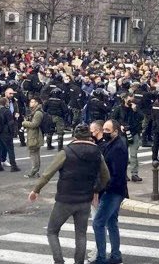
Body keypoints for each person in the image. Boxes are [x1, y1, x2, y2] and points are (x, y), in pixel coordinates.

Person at [29, 124, 110, 264]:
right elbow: (106, 176)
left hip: (65, 199)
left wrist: (36, 190)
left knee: (52, 231)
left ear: (74, 136)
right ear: (89, 136)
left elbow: (48, 174)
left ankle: (59, 261)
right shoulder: (97, 152)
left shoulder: (66, 151)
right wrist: (96, 190)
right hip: (85, 199)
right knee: (81, 234)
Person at [91, 120, 129, 264]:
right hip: (114, 190)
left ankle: (101, 258)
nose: (105, 132)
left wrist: (103, 188)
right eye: (104, 129)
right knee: (112, 222)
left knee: (98, 223)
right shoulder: (113, 144)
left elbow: (117, 173)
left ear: (115, 131)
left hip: (112, 191)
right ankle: (115, 255)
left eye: (108, 130)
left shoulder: (118, 147)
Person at [0, 97, 20, 172]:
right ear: (5, 103)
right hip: (5, 133)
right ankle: (14, 166)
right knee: (10, 149)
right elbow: (10, 123)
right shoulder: (6, 111)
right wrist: (13, 132)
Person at [21, 97, 45, 178]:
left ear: (37, 103)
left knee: (34, 153)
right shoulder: (34, 112)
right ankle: (36, 171)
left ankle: (34, 171)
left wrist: (24, 123)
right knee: (35, 153)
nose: (30, 103)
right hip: (33, 135)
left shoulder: (38, 113)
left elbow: (35, 124)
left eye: (32, 102)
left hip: (34, 135)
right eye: (30, 101)